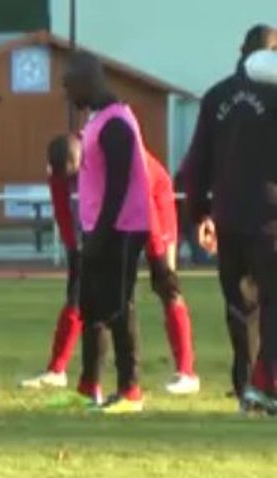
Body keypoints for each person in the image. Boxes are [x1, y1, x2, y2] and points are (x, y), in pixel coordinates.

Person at [20, 134, 199, 397]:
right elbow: (62, 211)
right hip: (115, 215)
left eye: (73, 177)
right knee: (80, 290)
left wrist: (158, 254)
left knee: (166, 284)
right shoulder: (61, 170)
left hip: (152, 198)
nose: (70, 184)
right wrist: (74, 251)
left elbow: (143, 200)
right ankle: (57, 370)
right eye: (66, 179)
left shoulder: (113, 158)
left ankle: (186, 372)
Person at [180, 25, 277, 413]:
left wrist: (199, 213)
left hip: (228, 219)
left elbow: (195, 163)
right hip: (268, 219)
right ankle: (265, 385)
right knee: (271, 303)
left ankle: (245, 390)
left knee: (241, 308)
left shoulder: (216, 95)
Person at [62, 52, 153, 414]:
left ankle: (130, 389)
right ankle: (89, 388)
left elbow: (119, 185)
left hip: (121, 229)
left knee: (118, 306)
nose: (67, 96)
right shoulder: (98, 119)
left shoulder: (117, 123)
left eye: (69, 87)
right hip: (99, 229)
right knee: (92, 308)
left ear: (88, 81)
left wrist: (101, 233)